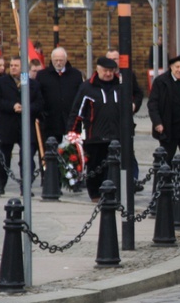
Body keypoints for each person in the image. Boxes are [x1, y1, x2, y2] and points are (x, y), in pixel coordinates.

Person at [67, 57, 123, 202]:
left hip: (116, 135)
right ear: (97, 69)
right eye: (105, 71)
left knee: (115, 166)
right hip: (95, 136)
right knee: (95, 166)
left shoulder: (120, 86)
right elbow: (77, 112)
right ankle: (95, 194)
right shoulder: (87, 88)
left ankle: (114, 193)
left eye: (111, 71)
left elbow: (134, 99)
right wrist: (73, 132)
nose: (108, 74)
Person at [147, 54, 180, 200]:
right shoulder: (161, 82)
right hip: (167, 128)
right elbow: (152, 104)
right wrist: (157, 123)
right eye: (177, 67)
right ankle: (162, 188)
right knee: (165, 160)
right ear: (171, 67)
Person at [0, 56, 44, 193]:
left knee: (27, 157)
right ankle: (0, 185)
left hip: (26, 125)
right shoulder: (2, 82)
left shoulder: (32, 84)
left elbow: (40, 103)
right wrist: (11, 106)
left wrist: (27, 107)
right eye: (12, 65)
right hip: (7, 124)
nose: (13, 67)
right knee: (4, 157)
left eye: (16, 65)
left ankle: (25, 187)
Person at [106, 49, 145, 188]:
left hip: (125, 123)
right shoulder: (103, 76)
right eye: (110, 58)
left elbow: (138, 93)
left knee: (128, 153)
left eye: (115, 59)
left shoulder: (127, 75)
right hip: (107, 124)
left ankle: (132, 180)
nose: (113, 62)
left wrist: (134, 105)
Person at [38, 47, 84, 144]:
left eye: (61, 60)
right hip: (50, 122)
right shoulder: (42, 75)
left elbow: (80, 96)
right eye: (56, 60)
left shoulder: (76, 75)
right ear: (52, 60)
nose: (58, 63)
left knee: (71, 152)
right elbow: (39, 96)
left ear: (66, 60)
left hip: (71, 121)